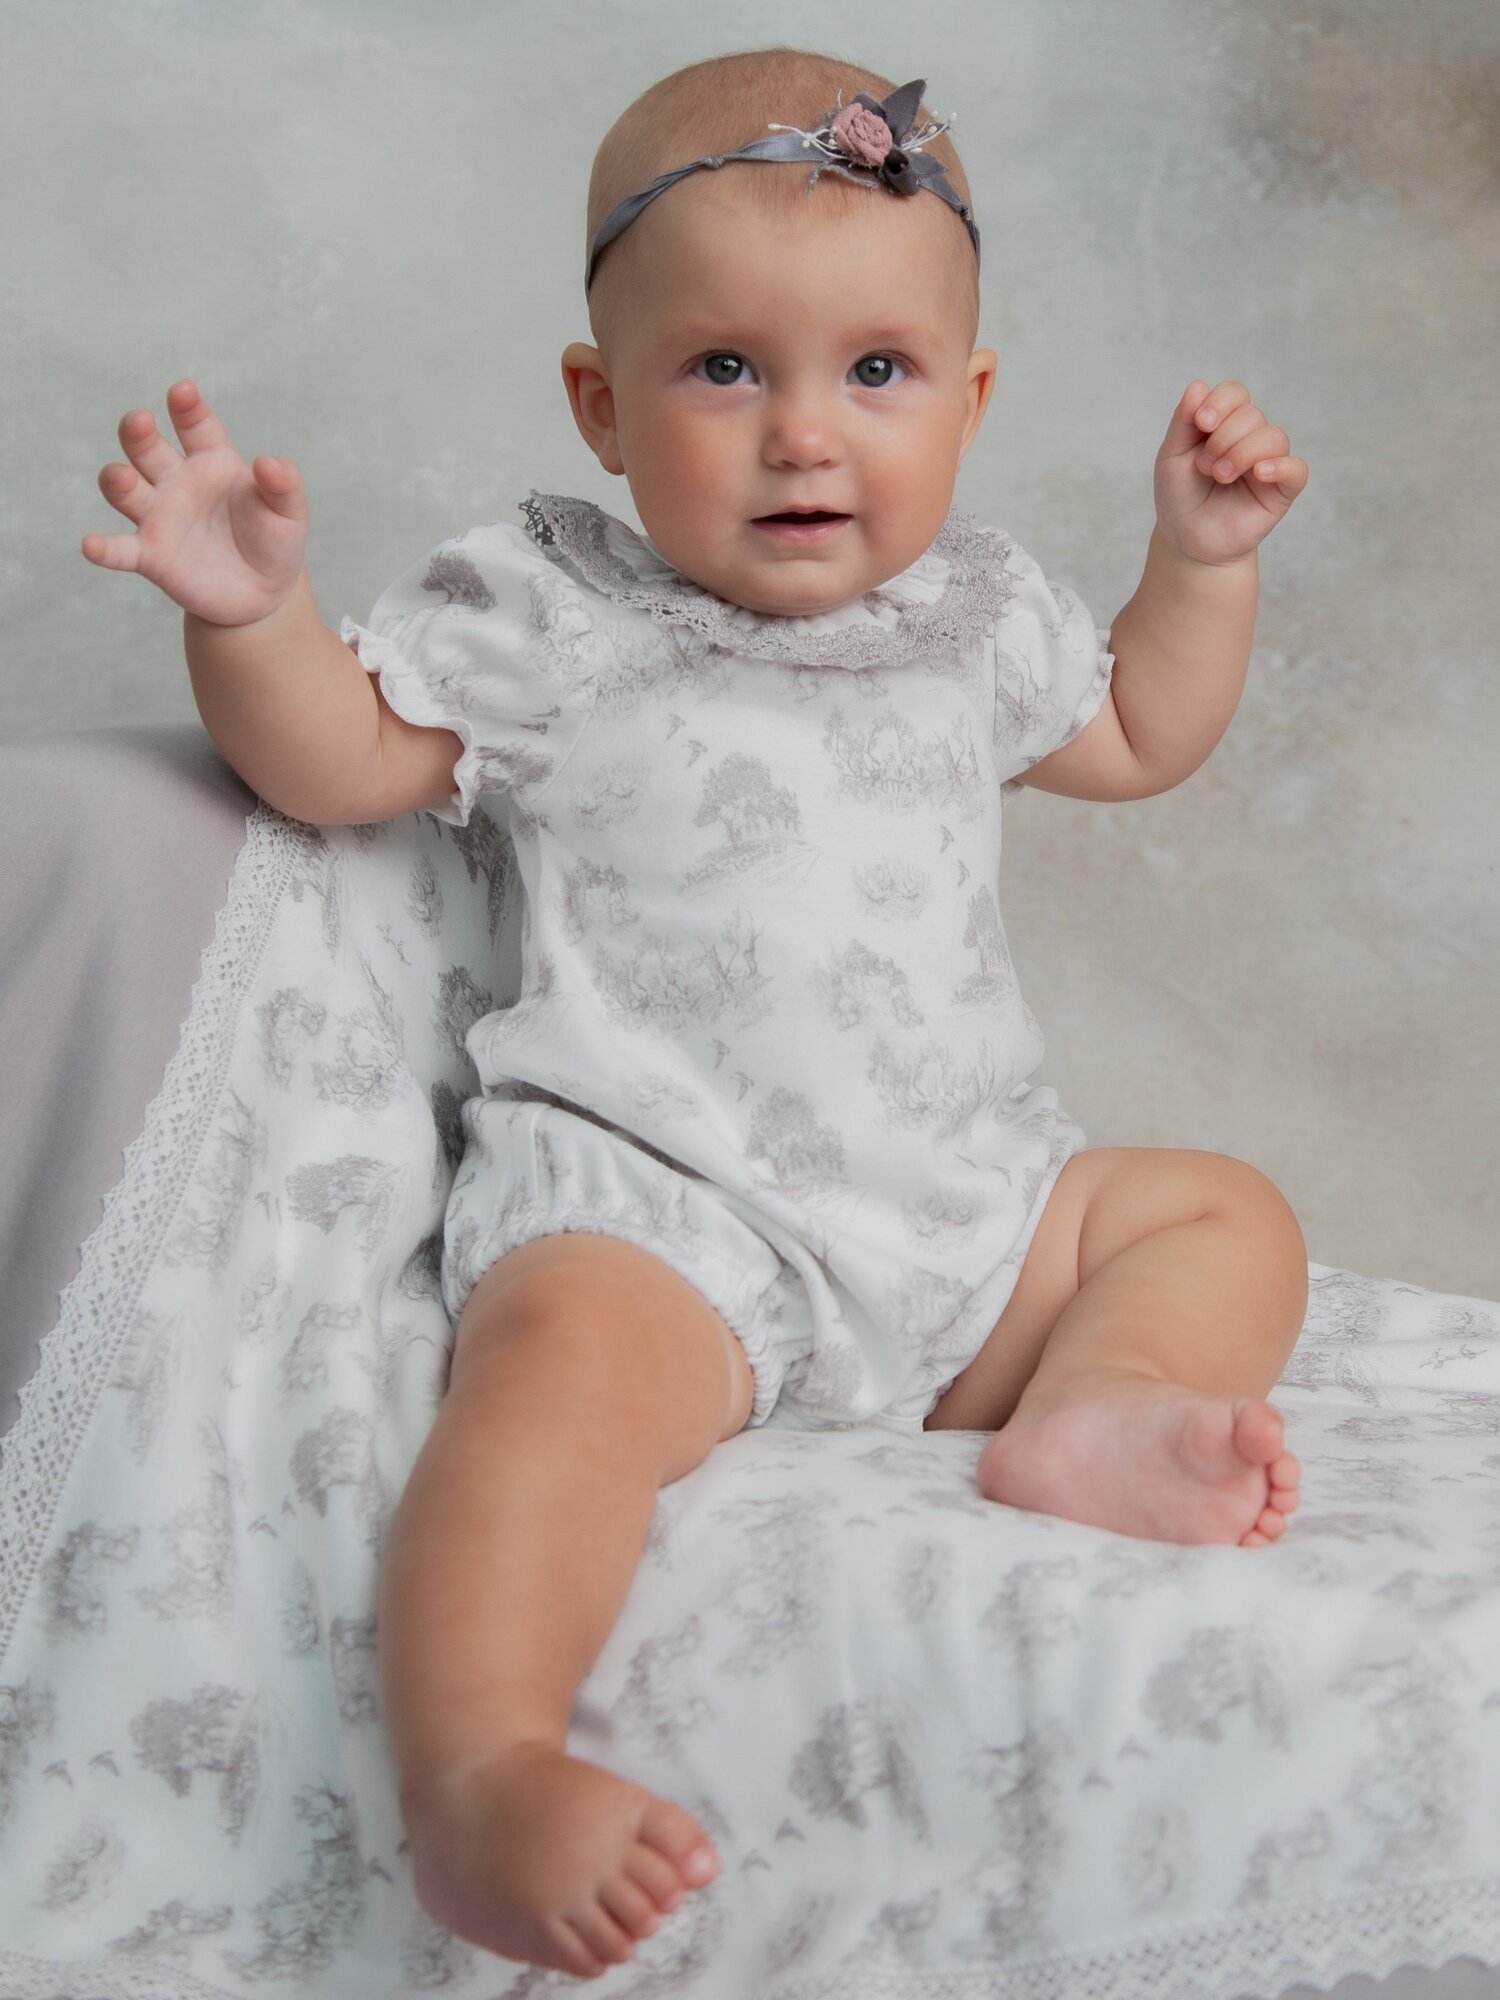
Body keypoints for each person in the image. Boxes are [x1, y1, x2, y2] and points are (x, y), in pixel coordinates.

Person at [80, 45, 1312, 1984]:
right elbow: (343, 763)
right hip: (670, 1218)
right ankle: (480, 1768)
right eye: (725, 369)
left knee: (1220, 1211)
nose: (805, 436)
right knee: (544, 1400)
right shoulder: (560, 614)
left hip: (971, 1213)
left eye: (878, 371)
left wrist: (1202, 565)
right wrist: (250, 621)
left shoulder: (972, 616)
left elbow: (1144, 730)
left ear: (972, 401)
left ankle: (1096, 1409)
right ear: (603, 403)